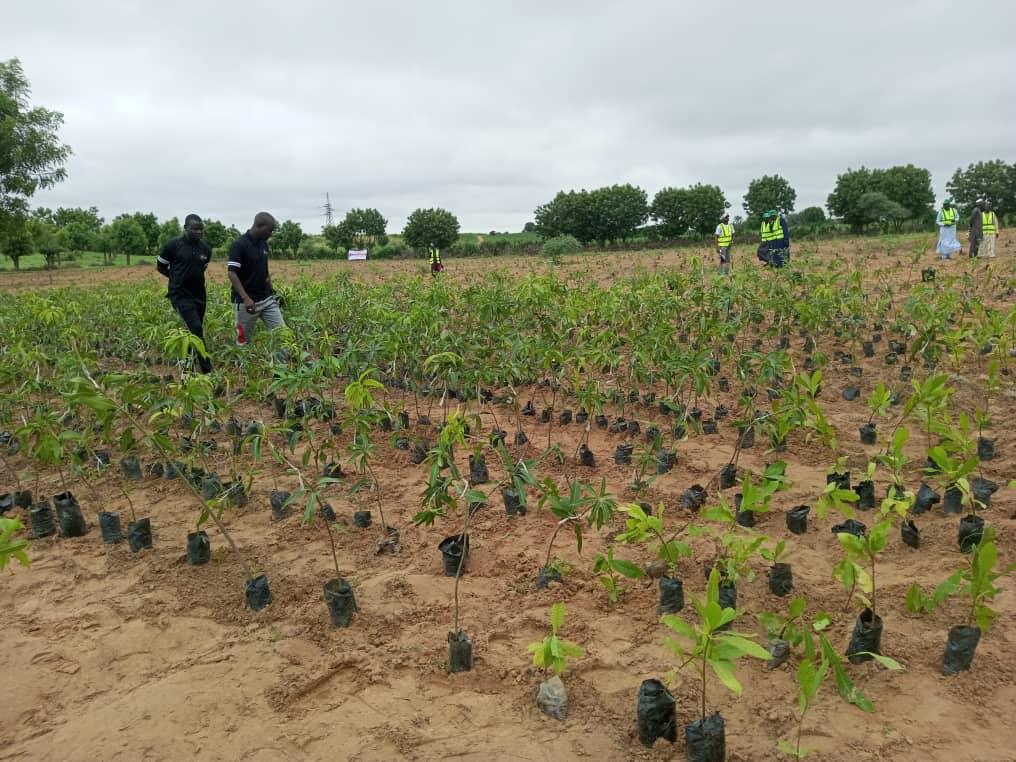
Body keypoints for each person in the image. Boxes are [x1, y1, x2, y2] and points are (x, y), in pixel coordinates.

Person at [157, 214, 213, 373]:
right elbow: (161, 267)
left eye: (201, 229)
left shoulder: (206, 249)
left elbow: (201, 268)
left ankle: (188, 366)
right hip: (180, 295)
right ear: (185, 228)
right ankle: (206, 368)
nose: (199, 232)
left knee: (193, 329)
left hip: (199, 295)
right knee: (195, 328)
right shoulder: (173, 246)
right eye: (195, 229)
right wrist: (175, 279)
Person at [227, 212, 286, 346]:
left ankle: (281, 364)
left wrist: (273, 292)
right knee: (243, 341)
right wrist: (245, 298)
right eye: (269, 230)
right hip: (246, 303)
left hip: (266, 299)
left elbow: (264, 271)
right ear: (259, 226)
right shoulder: (239, 245)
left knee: (282, 334)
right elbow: (232, 273)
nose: (271, 234)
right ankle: (243, 366)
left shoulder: (263, 244)